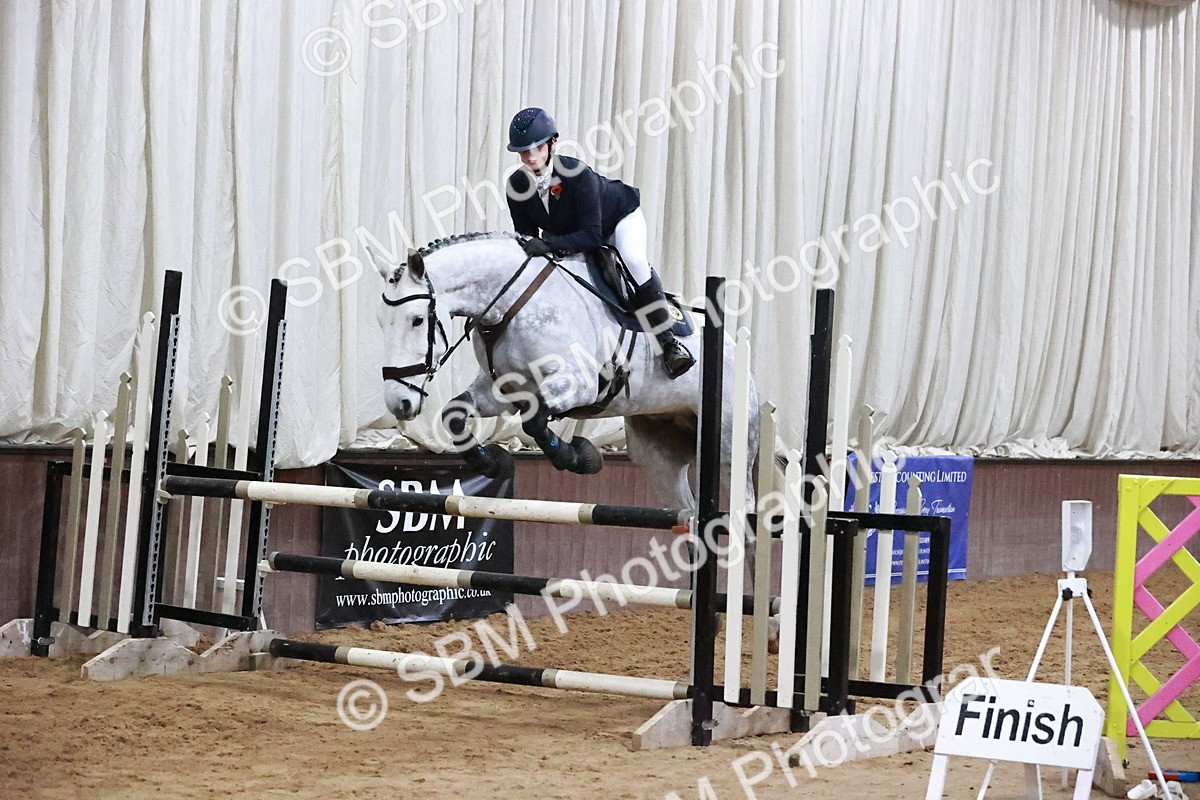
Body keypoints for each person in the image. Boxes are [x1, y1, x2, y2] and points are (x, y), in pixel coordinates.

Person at [504, 107, 695, 379]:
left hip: (616, 220)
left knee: (634, 260)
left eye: (536, 149)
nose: (531, 157)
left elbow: (593, 236)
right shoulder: (516, 186)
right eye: (524, 152)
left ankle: (669, 344)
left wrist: (548, 245)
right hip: (571, 233)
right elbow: (527, 236)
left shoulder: (577, 174)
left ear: (552, 143)